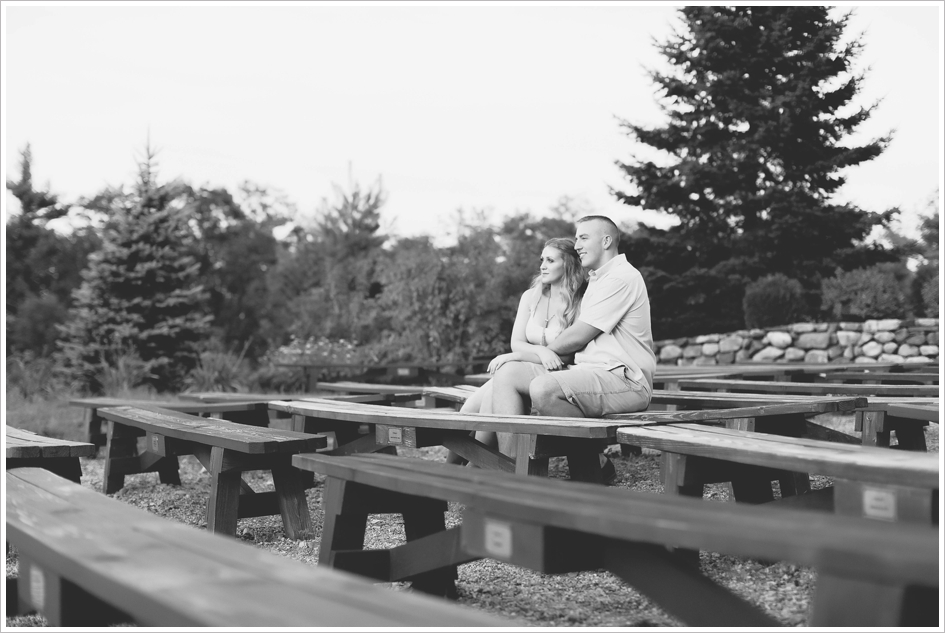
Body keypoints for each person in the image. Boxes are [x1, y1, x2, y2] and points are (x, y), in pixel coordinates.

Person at [489, 215, 656, 481]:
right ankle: (513, 470)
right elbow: (568, 348)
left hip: (625, 379)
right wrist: (523, 358)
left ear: (606, 240)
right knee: (508, 374)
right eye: (576, 238)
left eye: (583, 238)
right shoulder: (597, 281)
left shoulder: (621, 278)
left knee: (543, 389)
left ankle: (592, 463)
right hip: (587, 373)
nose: (576, 244)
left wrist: (524, 353)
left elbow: (577, 337)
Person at [446, 237, 587, 462]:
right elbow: (517, 341)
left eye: (550, 260)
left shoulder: (580, 300)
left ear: (569, 264)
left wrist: (520, 356)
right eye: (542, 259)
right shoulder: (530, 297)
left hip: (556, 375)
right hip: (524, 370)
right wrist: (541, 352)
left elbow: (568, 352)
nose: (542, 266)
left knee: (489, 399)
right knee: (471, 408)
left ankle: (480, 467)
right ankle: (455, 471)